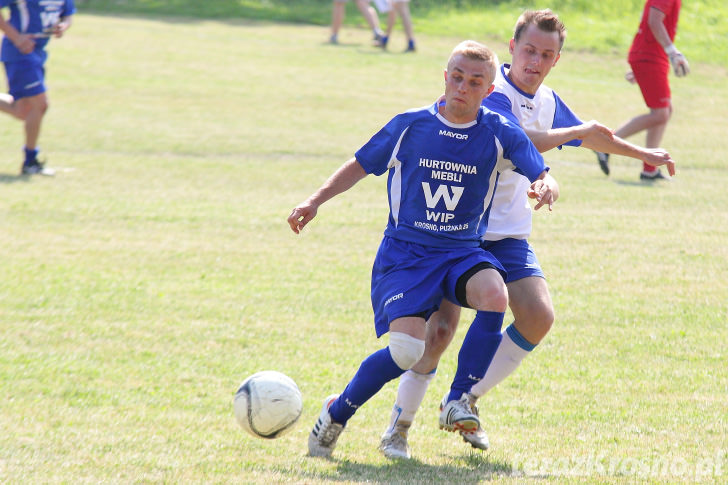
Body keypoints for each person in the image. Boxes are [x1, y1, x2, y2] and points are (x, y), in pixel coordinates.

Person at [378, 9, 677, 460]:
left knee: (538, 316)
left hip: (509, 236)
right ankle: (397, 428)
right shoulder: (489, 90)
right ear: (513, 48)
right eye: (529, 50)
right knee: (438, 333)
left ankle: (464, 398)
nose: (535, 61)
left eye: (546, 54)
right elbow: (519, 139)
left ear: (556, 60)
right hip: (461, 233)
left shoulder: (550, 100)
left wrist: (643, 151)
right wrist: (573, 133)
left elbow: (591, 136)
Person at [288, 40, 556, 458]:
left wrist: (546, 184)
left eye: (475, 82)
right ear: (445, 77)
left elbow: (540, 170)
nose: (462, 87)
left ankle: (458, 399)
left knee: (494, 294)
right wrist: (314, 201)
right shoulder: (411, 126)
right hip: (406, 256)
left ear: (489, 90)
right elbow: (359, 165)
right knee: (407, 351)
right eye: (457, 77)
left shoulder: (499, 132)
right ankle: (336, 413)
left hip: (461, 251)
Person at [595, 0, 688, 180]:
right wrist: (672, 52)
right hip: (651, 56)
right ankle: (605, 144)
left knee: (665, 111)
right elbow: (654, 21)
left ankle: (649, 169)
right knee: (661, 114)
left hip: (652, 56)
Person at [0, 0, 75, 176]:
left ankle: (31, 161)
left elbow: (68, 14)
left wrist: (63, 25)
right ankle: (30, 161)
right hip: (19, 53)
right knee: (40, 105)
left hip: (38, 53)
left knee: (23, 111)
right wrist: (16, 37)